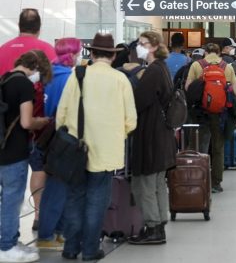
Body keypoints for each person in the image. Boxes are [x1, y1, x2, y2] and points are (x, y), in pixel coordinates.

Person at [56, 33, 137, 261]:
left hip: (76, 149)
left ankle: (71, 248)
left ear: (91, 54)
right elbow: (131, 120)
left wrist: (66, 134)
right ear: (112, 56)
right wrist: (114, 134)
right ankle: (90, 250)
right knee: (97, 201)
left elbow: (61, 113)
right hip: (106, 151)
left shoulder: (78, 74)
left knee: (74, 198)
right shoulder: (120, 80)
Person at [0, 8, 57, 231]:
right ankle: (38, 215)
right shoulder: (46, 51)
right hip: (33, 124)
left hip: (5, 127)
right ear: (39, 27)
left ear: (19, 25)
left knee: (10, 184)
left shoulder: (3, 49)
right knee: (38, 169)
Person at [0, 51, 52, 263]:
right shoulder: (24, 85)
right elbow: (26, 122)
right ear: (37, 68)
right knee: (12, 200)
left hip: (3, 147)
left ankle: (10, 240)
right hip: (15, 150)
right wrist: (42, 121)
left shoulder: (5, 78)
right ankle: (7, 247)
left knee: (6, 199)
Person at [128, 31, 176, 245]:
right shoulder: (162, 68)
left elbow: (138, 102)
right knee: (157, 182)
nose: (139, 47)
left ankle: (153, 226)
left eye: (143, 43)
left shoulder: (153, 71)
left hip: (150, 134)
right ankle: (159, 225)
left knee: (145, 183)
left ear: (154, 46)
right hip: (162, 134)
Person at [37, 38, 83, 251]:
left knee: (56, 187)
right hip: (63, 140)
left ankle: (55, 233)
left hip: (47, 138)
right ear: (72, 54)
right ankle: (47, 235)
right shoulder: (68, 79)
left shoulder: (49, 76)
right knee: (58, 189)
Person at [185, 43, 236, 193]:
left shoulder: (196, 65)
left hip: (201, 113)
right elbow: (235, 90)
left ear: (205, 52)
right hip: (220, 113)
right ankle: (216, 182)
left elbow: (188, 87)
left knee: (199, 147)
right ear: (219, 52)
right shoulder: (227, 67)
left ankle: (198, 179)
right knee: (218, 147)